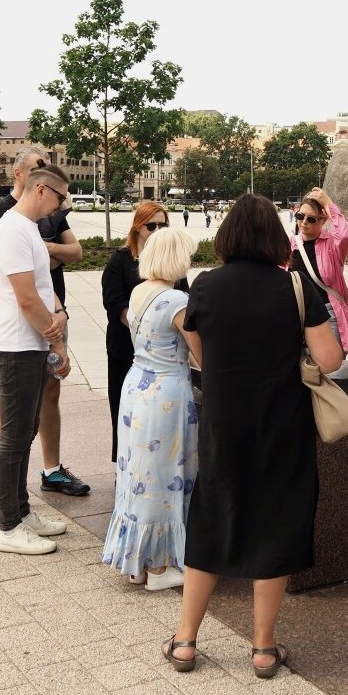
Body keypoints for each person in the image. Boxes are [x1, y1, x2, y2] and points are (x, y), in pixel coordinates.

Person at [161, 194, 341, 676]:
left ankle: (185, 642)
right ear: (274, 237)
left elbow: (199, 352)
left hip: (224, 423)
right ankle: (263, 650)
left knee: (211, 517)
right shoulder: (297, 287)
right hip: (283, 423)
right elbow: (330, 360)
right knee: (275, 521)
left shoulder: (206, 285)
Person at [103, 228, 199, 590]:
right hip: (167, 394)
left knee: (137, 477)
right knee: (163, 475)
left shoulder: (139, 292)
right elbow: (200, 353)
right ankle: (160, 566)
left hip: (137, 387)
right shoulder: (176, 300)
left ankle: (137, 561)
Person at [0, 151, 88, 497]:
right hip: (19, 342)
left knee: (28, 426)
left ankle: (21, 505)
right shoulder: (10, 224)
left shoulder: (28, 227)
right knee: (14, 431)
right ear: (41, 188)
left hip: (36, 338)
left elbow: (50, 281)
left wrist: (59, 314)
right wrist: (57, 340)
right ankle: (9, 515)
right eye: (60, 198)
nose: (62, 208)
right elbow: (27, 297)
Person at [101, 202, 187, 463]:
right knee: (124, 410)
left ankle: (155, 464)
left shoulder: (171, 263)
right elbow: (115, 304)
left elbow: (186, 301)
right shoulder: (120, 260)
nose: (158, 230)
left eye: (163, 225)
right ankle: (124, 465)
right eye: (152, 226)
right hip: (127, 351)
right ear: (138, 227)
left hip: (163, 356)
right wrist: (148, 327)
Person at [289, 187, 348, 355]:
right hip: (296, 314)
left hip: (328, 313)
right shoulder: (290, 244)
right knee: (301, 371)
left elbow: (346, 236)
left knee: (331, 369)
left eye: (311, 219)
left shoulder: (333, 245)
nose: (304, 222)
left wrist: (329, 204)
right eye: (300, 216)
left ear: (323, 220)